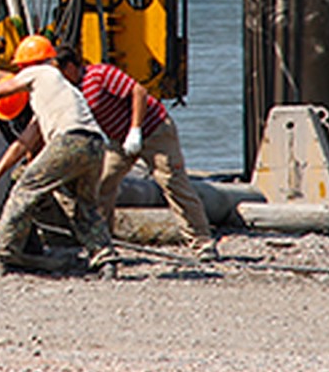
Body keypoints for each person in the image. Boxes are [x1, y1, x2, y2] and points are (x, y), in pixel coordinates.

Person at [0, 35, 119, 276]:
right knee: (84, 206)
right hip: (95, 145)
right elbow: (23, 143)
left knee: (24, 191)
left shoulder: (40, 72)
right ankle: (105, 260)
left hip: (70, 140)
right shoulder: (56, 93)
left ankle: (3, 255)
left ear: (27, 64)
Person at [54, 45, 218, 260]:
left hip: (154, 130)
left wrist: (135, 130)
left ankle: (202, 242)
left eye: (59, 71)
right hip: (118, 141)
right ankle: (102, 242)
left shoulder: (99, 74)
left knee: (172, 182)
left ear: (71, 67)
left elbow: (138, 91)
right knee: (102, 183)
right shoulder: (72, 91)